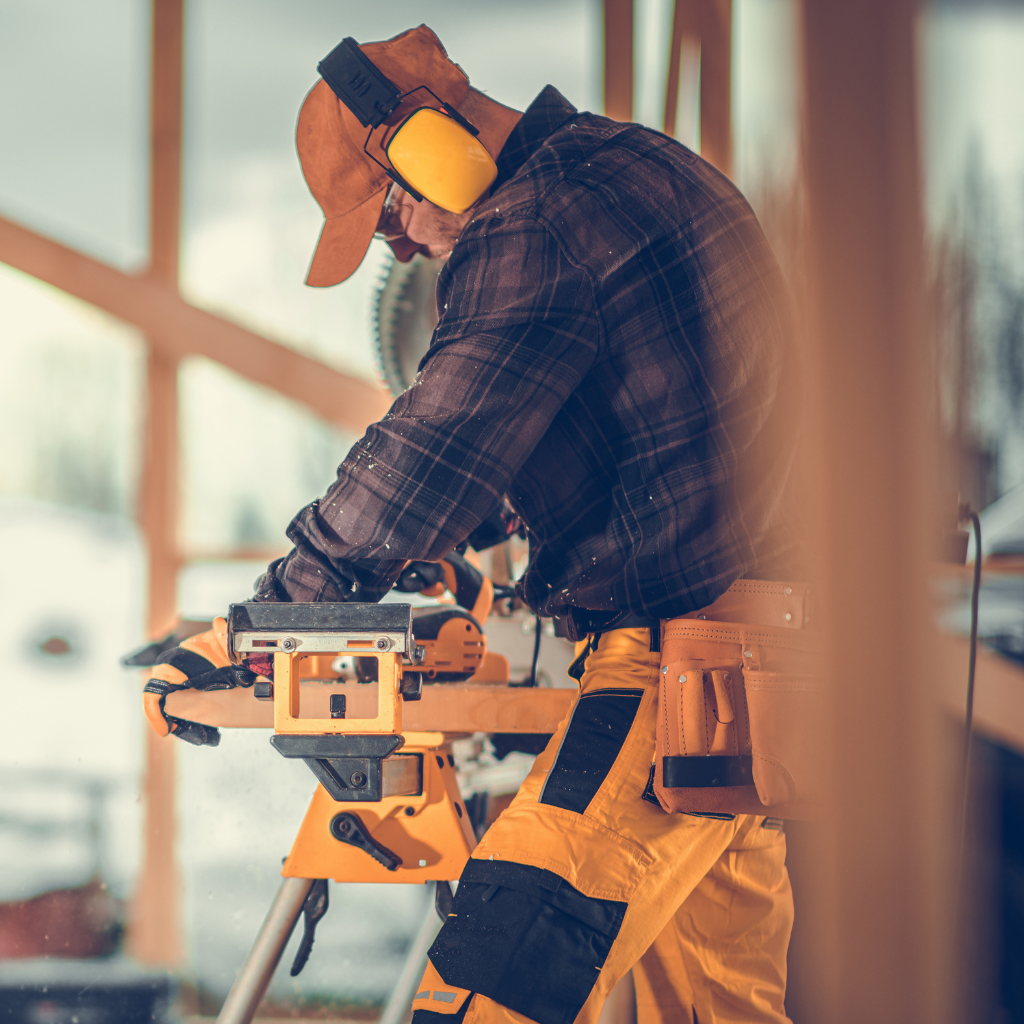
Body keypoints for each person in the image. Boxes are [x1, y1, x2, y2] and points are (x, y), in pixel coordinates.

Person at [144, 24, 807, 1024]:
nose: (401, 244)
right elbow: (605, 428)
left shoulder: (531, 227)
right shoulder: (636, 165)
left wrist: (266, 625)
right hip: (757, 673)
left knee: (479, 995)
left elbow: (433, 447)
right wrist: (455, 550)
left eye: (391, 211)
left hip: (678, 675)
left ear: (431, 143)